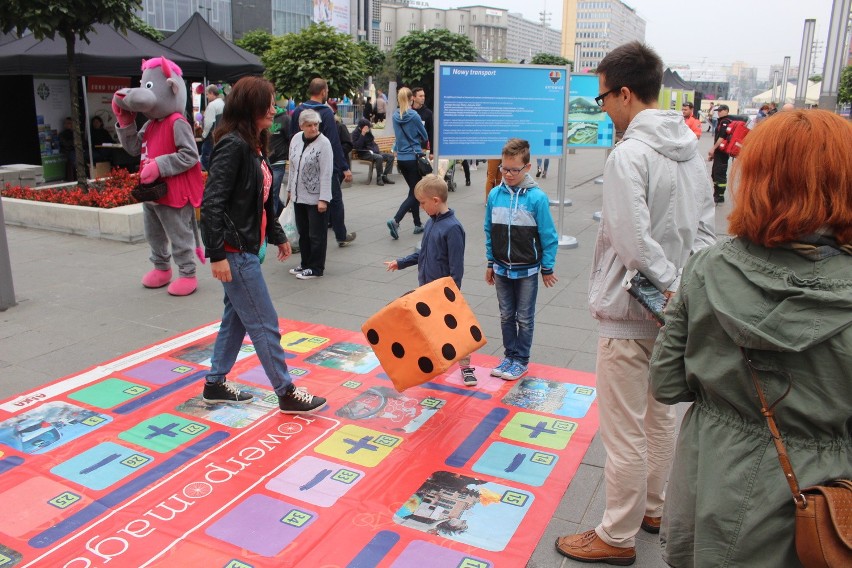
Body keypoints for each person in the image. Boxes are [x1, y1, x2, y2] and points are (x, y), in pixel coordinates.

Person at [649, 109, 852, 567]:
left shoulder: (707, 267)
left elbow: (665, 383)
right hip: (821, 503)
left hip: (710, 478)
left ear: (758, 179)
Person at [554, 41, 715, 566]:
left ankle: (615, 535)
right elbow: (708, 231)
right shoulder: (692, 148)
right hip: (676, 310)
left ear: (624, 94)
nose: (603, 110)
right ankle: (653, 507)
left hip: (632, 309)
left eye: (602, 99)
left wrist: (665, 284)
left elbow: (630, 238)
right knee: (660, 416)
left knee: (623, 428)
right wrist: (683, 289)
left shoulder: (630, 154)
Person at [199, 75, 326, 414]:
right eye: (268, 102)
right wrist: (216, 255)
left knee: (236, 318)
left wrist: (278, 235)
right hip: (235, 251)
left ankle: (215, 383)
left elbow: (261, 198)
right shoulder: (233, 145)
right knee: (264, 321)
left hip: (246, 247)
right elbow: (211, 203)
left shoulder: (252, 142)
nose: (275, 108)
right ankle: (286, 392)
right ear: (250, 106)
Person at [384, 174, 477, 386]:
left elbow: (457, 267)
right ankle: (434, 362)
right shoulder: (431, 223)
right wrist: (401, 262)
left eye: (423, 203)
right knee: (429, 327)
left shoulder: (453, 228)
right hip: (426, 289)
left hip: (444, 292)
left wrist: (452, 293)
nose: (421, 207)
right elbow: (423, 254)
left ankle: (466, 367)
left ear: (435, 200)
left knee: (457, 330)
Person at [484, 138, 559, 381]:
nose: (507, 174)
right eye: (504, 168)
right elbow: (489, 230)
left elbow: (548, 235)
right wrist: (489, 262)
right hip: (501, 268)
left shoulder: (537, 198)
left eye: (514, 170)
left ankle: (521, 360)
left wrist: (547, 267)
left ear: (526, 167)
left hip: (527, 270)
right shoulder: (495, 195)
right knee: (506, 314)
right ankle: (509, 356)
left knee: (524, 317)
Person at [291, 78, 356, 247]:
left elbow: (292, 138)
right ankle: (341, 235)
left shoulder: (298, 111)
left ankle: (298, 239)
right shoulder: (326, 113)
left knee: (301, 203)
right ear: (323, 92)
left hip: (302, 164)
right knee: (334, 199)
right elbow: (334, 142)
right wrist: (344, 167)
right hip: (324, 165)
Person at [286, 109, 333, 280]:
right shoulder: (296, 139)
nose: (313, 128)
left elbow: (326, 173)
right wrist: (290, 190)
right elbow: (292, 166)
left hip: (316, 198)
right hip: (299, 195)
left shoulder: (324, 143)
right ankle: (305, 263)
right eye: (309, 125)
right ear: (301, 126)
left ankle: (316, 267)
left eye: (315, 124)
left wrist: (323, 199)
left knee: (316, 234)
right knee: (303, 232)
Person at [387, 87, 429, 239]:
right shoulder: (414, 115)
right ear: (411, 98)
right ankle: (396, 220)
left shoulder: (395, 116)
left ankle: (417, 224)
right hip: (413, 157)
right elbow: (424, 136)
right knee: (416, 192)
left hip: (402, 160)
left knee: (413, 189)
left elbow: (398, 137)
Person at [351, 116, 395, 186]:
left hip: (374, 152)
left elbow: (372, 142)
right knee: (379, 158)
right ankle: (379, 178)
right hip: (364, 153)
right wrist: (362, 134)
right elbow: (357, 146)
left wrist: (376, 150)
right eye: (368, 127)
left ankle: (384, 176)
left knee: (390, 156)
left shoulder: (369, 132)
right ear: (362, 127)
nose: (369, 128)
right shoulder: (355, 133)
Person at [269, 101, 291, 216]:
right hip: (264, 161)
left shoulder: (285, 119)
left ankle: (272, 227)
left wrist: (288, 157)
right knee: (269, 194)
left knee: (272, 193)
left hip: (278, 161)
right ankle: (282, 214)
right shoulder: (261, 117)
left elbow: (289, 139)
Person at [707, 104, 733, 204]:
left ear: (726, 111)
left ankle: (720, 196)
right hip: (719, 152)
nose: (719, 112)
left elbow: (721, 137)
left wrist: (713, 149)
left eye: (721, 110)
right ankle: (716, 193)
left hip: (722, 153)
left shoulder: (725, 122)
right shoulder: (721, 121)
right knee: (715, 173)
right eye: (718, 111)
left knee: (720, 174)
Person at [200, 85, 225, 171]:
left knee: (206, 159)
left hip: (211, 136)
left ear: (211, 93)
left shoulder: (212, 106)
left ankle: (212, 177)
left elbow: (209, 123)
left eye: (207, 94)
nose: (206, 96)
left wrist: (204, 135)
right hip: (221, 135)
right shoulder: (223, 104)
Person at [59, 117, 76, 181]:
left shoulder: (75, 133)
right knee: (72, 157)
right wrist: (73, 143)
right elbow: (66, 144)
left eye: (69, 123)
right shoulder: (62, 134)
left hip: (75, 150)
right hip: (67, 150)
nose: (67, 125)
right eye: (66, 123)